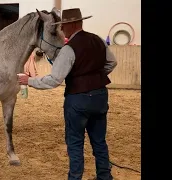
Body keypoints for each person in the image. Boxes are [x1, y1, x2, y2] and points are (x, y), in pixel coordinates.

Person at [18, 8, 117, 180]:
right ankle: (105, 176)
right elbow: (112, 63)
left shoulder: (68, 49)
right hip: (100, 96)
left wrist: (29, 81)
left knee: (75, 143)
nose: (62, 29)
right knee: (99, 141)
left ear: (71, 24)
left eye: (63, 26)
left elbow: (54, 80)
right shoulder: (98, 40)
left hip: (78, 99)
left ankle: (75, 177)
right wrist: (95, 76)